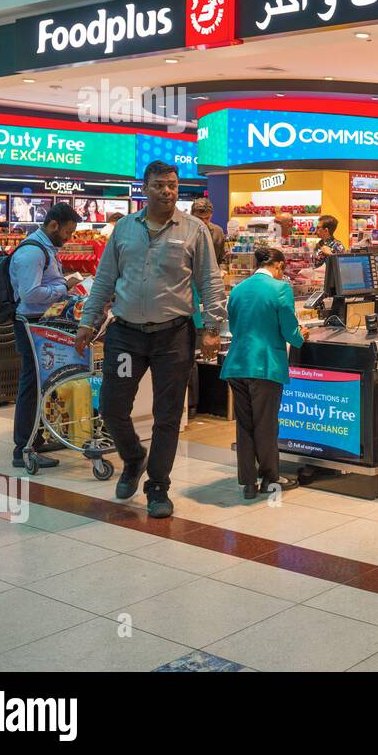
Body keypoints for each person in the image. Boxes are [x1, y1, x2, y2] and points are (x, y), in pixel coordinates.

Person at [74, 161, 227, 519]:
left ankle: (158, 485)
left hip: (173, 336)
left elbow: (209, 280)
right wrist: (87, 321)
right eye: (159, 185)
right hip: (126, 335)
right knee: (112, 406)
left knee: (168, 415)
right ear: (145, 187)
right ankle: (133, 459)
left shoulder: (194, 230)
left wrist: (213, 327)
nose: (167, 191)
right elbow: (104, 281)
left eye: (172, 185)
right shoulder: (125, 229)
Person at [221, 247, 308, 499]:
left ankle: (248, 482)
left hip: (237, 364)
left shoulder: (238, 290)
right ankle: (271, 478)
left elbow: (236, 326)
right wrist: (300, 337)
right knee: (266, 424)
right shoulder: (280, 289)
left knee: (245, 425)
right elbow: (289, 329)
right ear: (279, 265)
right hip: (265, 365)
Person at [9, 203, 80, 469]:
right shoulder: (32, 253)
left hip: (40, 322)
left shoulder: (46, 248)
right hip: (30, 323)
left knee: (40, 384)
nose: (69, 238)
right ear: (53, 226)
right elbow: (30, 294)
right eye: (67, 232)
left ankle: (34, 440)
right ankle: (23, 448)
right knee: (31, 385)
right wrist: (63, 287)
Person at [189, 197, 226, 264]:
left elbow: (222, 258)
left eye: (207, 218)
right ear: (191, 215)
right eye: (199, 218)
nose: (203, 221)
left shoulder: (218, 232)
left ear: (211, 215)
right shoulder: (184, 231)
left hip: (212, 273)